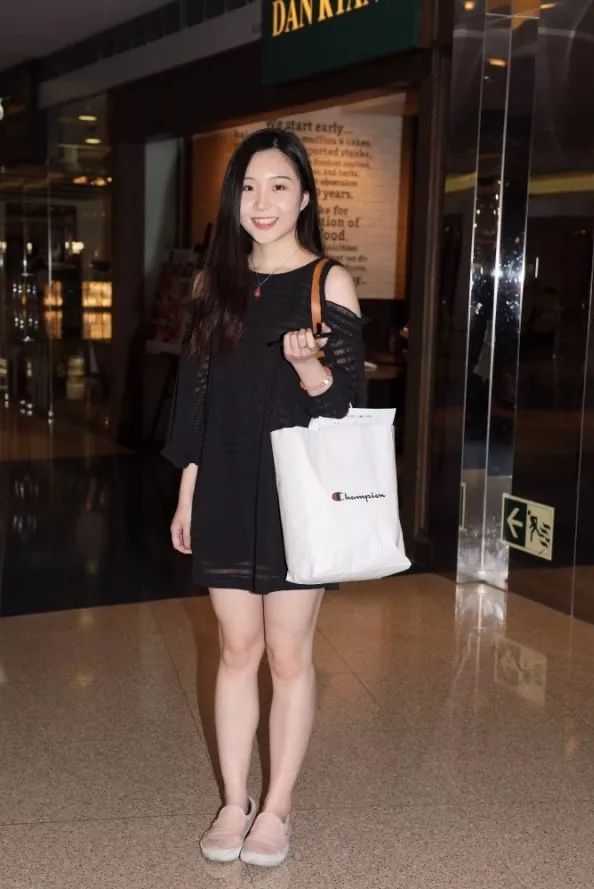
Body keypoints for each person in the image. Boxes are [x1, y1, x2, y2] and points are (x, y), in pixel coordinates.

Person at [163, 127, 365, 867]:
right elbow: (195, 400)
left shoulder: (327, 282)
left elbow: (347, 405)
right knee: (236, 647)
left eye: (279, 185)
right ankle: (233, 800)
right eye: (249, 187)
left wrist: (311, 370)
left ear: (304, 196)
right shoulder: (212, 284)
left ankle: (276, 807)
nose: (262, 201)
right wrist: (187, 490)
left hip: (296, 494)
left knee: (287, 652)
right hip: (221, 483)